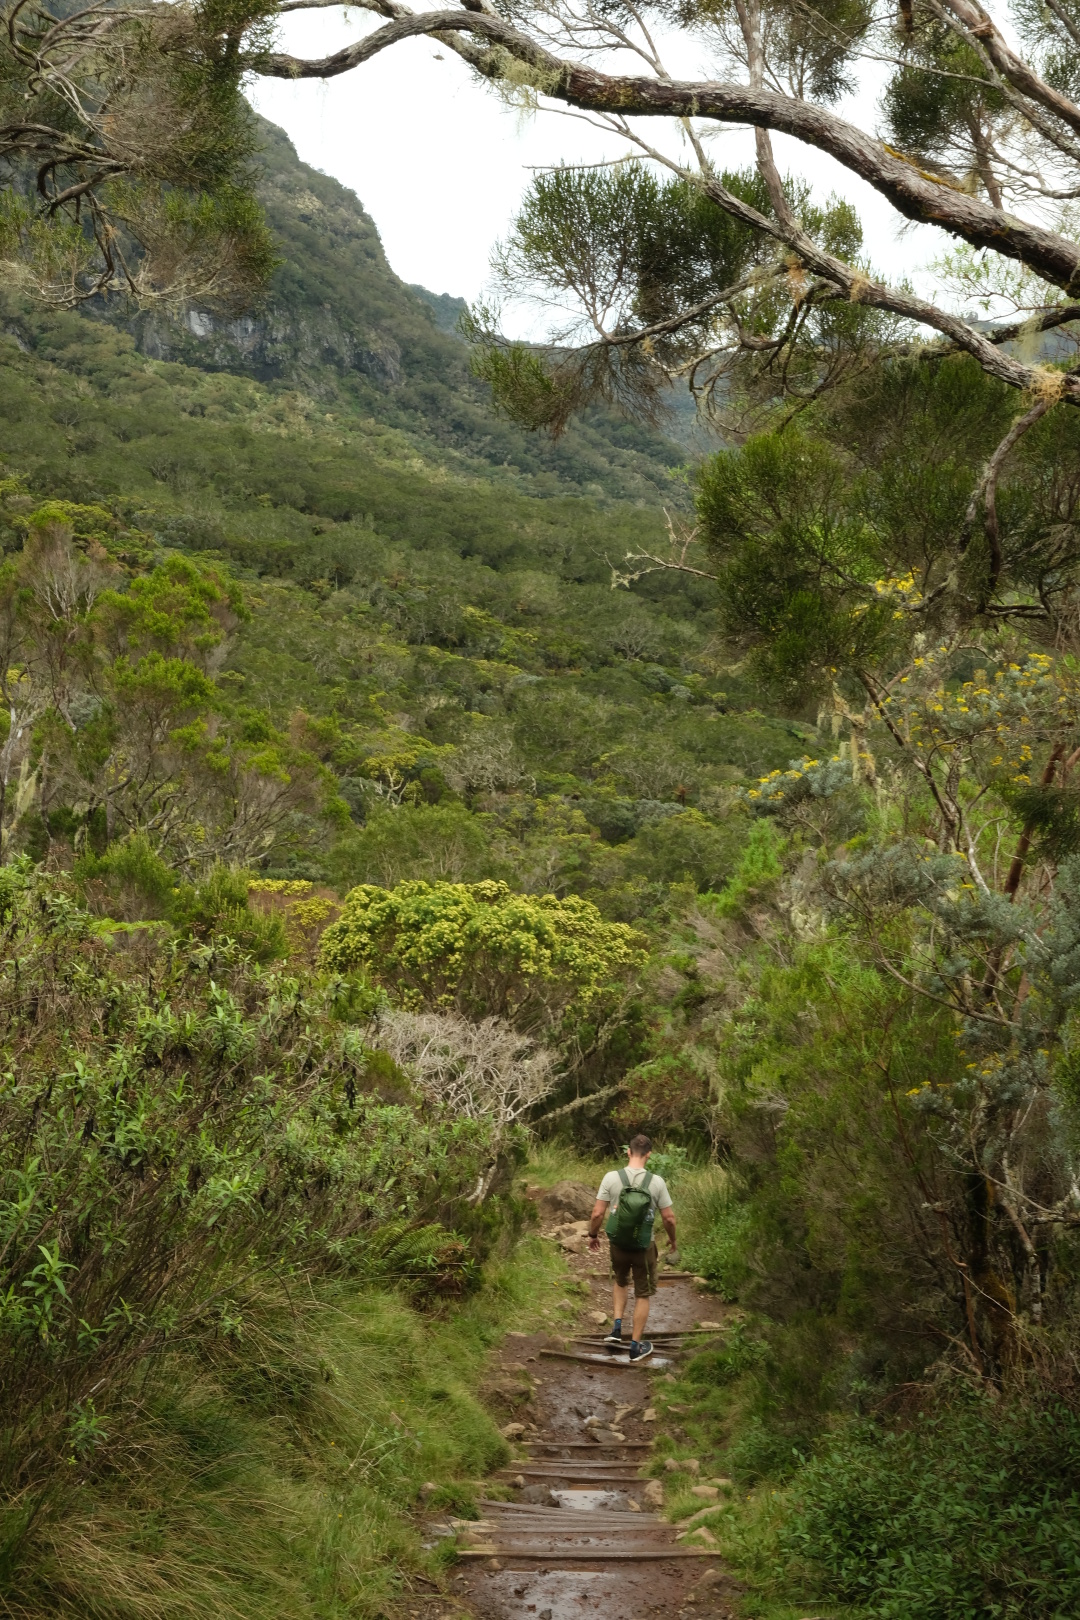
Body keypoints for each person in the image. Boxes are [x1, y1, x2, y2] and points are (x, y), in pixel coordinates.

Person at [587, 1134, 677, 1362]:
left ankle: (616, 1329)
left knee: (620, 1281)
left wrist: (593, 1235)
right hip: (644, 1247)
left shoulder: (611, 1178)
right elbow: (669, 1218)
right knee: (643, 1293)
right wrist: (673, 1240)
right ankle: (636, 1347)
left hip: (618, 1243)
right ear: (649, 1155)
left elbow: (597, 1213)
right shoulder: (657, 1182)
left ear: (628, 1151)